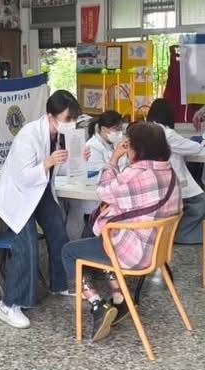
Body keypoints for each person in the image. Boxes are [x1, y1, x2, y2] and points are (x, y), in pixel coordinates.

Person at [59, 123, 181, 341]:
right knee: (106, 239)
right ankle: (119, 297)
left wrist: (114, 159)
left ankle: (97, 304)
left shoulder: (138, 174)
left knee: (70, 251)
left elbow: (104, 191)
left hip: (134, 253)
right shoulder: (169, 172)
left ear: (137, 148)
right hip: (157, 251)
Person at [0, 89, 80, 329]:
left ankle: (60, 284)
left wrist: (77, 158)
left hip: (40, 191)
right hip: (18, 195)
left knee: (58, 231)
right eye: (67, 118)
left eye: (74, 119)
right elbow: (23, 178)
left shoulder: (59, 135)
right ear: (51, 117)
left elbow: (61, 168)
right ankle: (9, 305)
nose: (71, 123)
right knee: (27, 245)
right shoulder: (28, 136)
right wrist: (47, 162)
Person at [145, 98, 205, 245]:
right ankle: (180, 235)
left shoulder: (147, 130)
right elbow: (194, 148)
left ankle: (173, 233)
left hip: (153, 180)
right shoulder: (167, 133)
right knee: (201, 202)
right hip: (171, 180)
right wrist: (203, 141)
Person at [68, 112, 127, 240]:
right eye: (116, 129)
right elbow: (101, 173)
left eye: (121, 129)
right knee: (91, 234)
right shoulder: (92, 146)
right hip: (93, 199)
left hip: (105, 196)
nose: (120, 133)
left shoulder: (110, 145)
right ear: (104, 129)